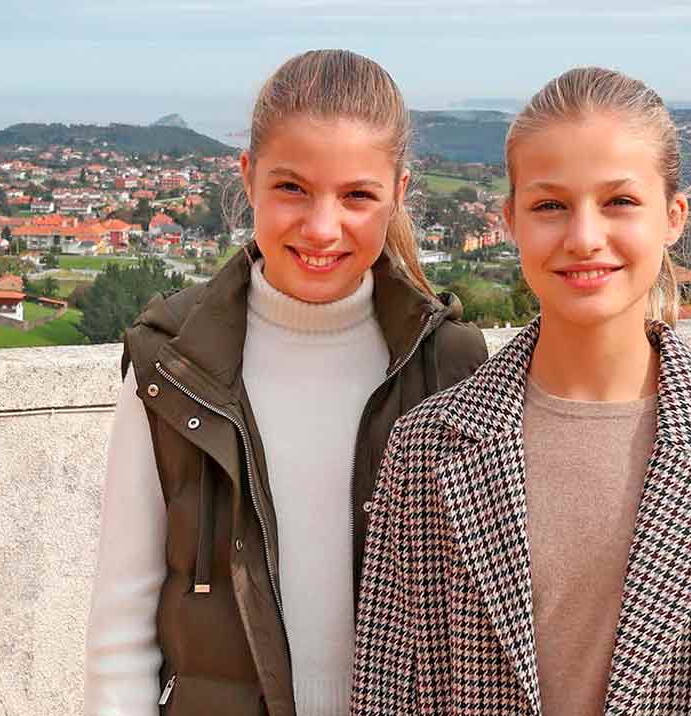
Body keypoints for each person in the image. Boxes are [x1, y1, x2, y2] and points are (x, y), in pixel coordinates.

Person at [352, 67, 691, 715]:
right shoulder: (427, 448)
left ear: (673, 216)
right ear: (511, 220)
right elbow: (386, 694)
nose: (583, 237)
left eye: (619, 202)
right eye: (550, 205)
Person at [83, 49, 488, 716]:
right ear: (247, 178)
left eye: (358, 195)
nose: (322, 228)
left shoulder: (449, 366)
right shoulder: (172, 367)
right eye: (292, 188)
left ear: (400, 194)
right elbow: (121, 634)